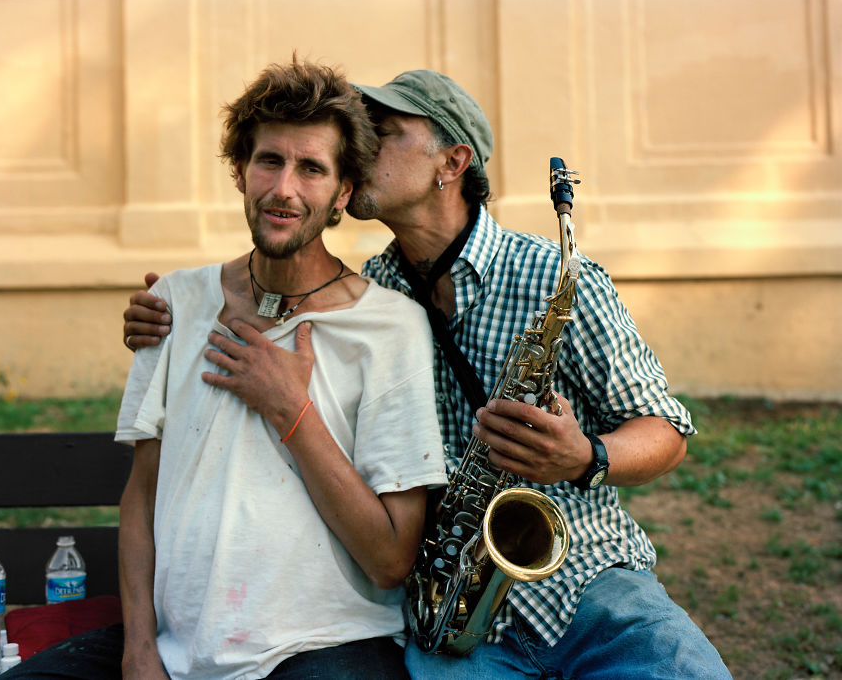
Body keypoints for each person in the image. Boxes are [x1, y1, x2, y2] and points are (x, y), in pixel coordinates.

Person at [123, 70, 732, 678]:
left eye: (383, 132)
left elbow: (666, 430)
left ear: (452, 162)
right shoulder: (370, 292)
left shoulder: (557, 278)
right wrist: (170, 312)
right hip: (454, 616)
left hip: (587, 583)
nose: (360, 147)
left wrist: (584, 456)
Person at [3, 60, 448, 680]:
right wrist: (139, 651)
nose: (283, 189)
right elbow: (142, 495)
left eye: (312, 168)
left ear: (343, 192)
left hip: (326, 648)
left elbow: (391, 559)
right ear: (240, 170)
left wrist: (291, 412)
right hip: (173, 647)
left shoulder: (389, 326)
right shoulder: (174, 304)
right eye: (269, 161)